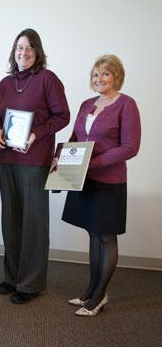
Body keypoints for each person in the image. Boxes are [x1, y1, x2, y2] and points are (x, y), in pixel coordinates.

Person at [0, 28, 70, 304]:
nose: (23, 52)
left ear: (37, 52)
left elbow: (62, 116)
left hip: (35, 161)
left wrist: (37, 133)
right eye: (18, 48)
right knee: (11, 221)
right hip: (7, 160)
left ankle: (31, 283)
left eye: (28, 48)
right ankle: (12, 277)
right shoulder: (5, 83)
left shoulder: (47, 79)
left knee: (33, 223)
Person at [57, 55, 141, 316]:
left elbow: (130, 147)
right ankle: (90, 291)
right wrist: (60, 157)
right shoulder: (86, 105)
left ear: (116, 77)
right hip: (85, 180)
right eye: (95, 75)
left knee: (106, 235)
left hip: (110, 182)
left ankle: (100, 295)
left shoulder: (126, 105)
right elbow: (75, 138)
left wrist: (91, 164)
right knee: (92, 233)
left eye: (105, 74)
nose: (99, 79)